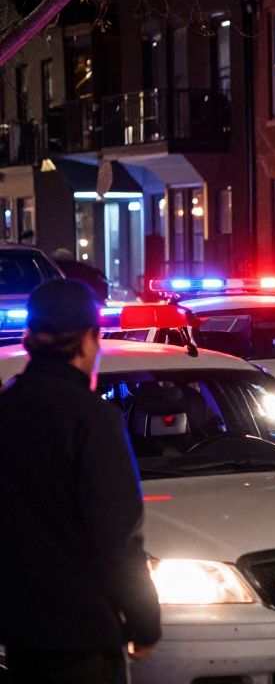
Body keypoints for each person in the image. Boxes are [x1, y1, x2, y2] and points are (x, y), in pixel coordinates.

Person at [0, 279, 160, 683]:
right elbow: (116, 533)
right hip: (82, 632)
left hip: (18, 632)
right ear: (89, 340)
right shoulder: (91, 418)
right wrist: (144, 622)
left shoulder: (7, 408)